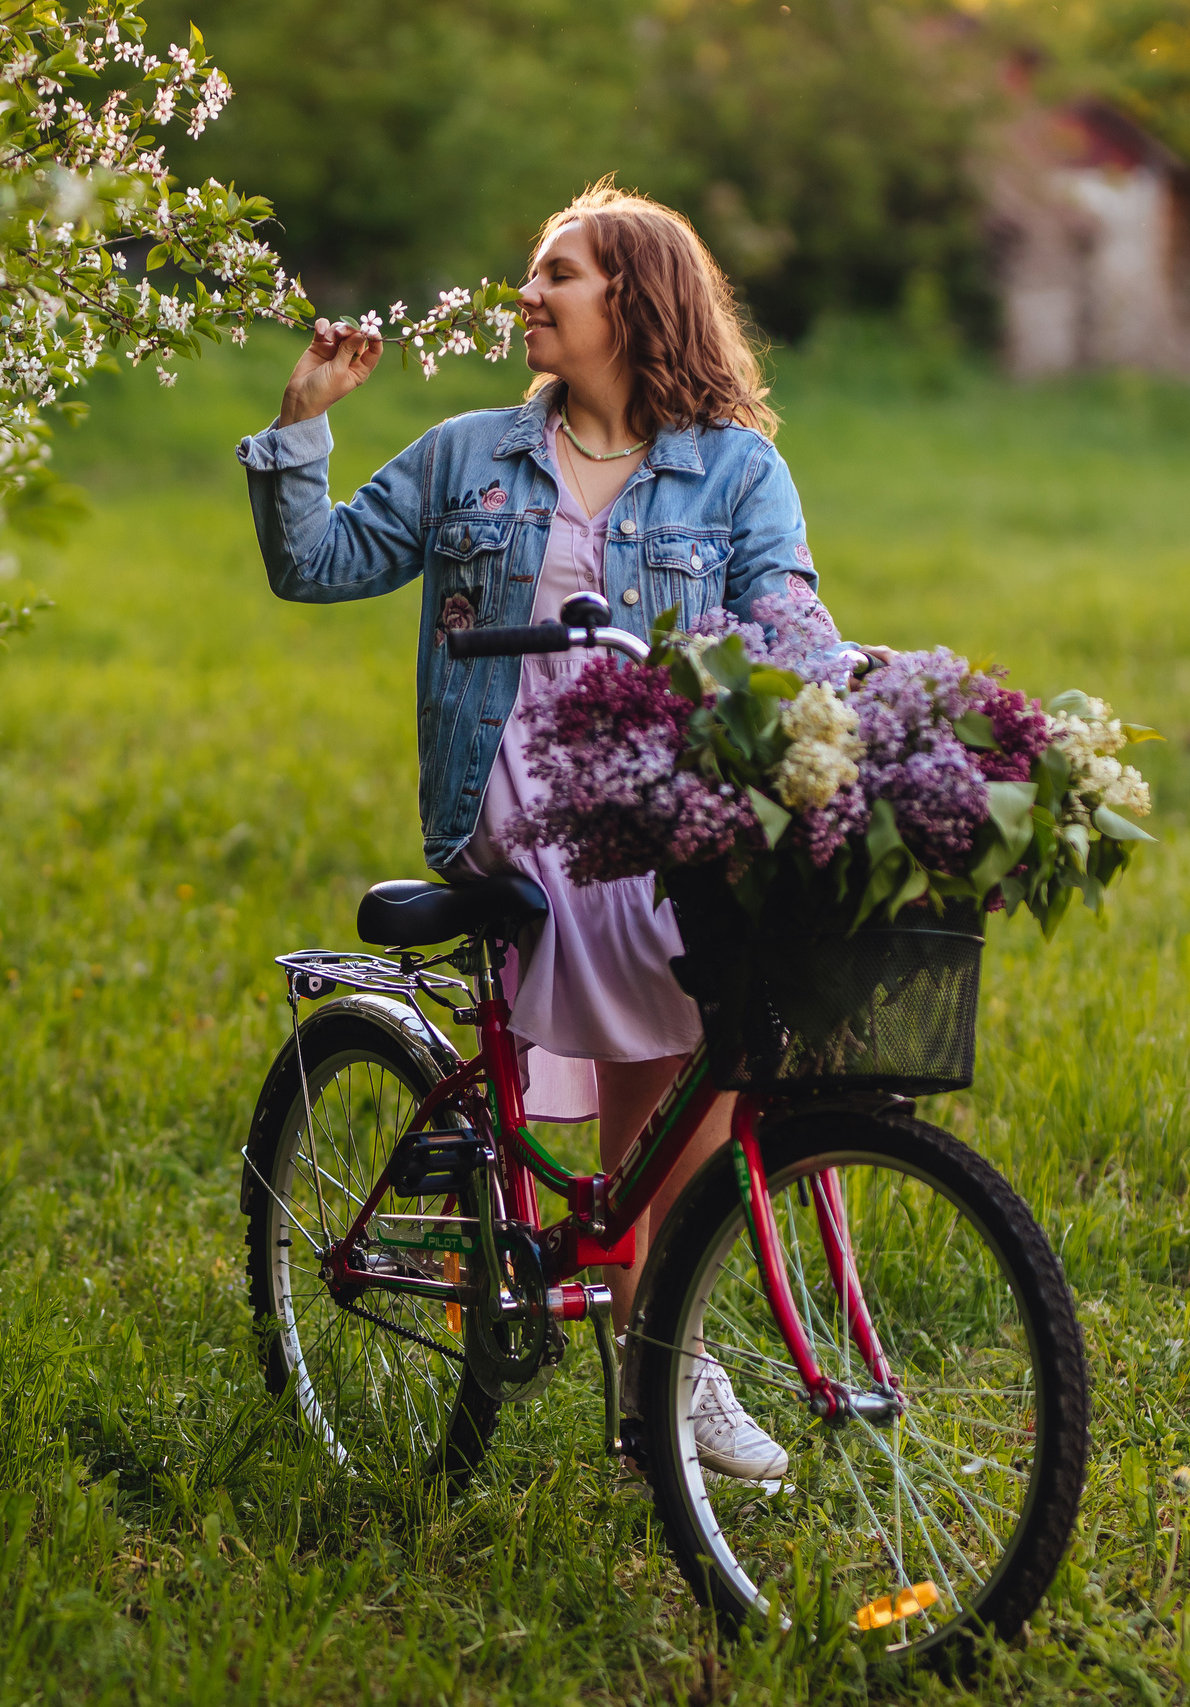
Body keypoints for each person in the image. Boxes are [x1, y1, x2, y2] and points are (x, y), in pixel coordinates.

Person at [238, 181, 830, 1479]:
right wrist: (300, 428)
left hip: (654, 806)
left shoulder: (736, 468)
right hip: (514, 798)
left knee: (708, 998)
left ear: (634, 299)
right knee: (658, 934)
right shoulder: (468, 456)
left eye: (557, 273)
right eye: (531, 273)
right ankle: (675, 1364)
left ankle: (651, 1335)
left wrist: (846, 705)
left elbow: (790, 620)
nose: (528, 293)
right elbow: (316, 565)